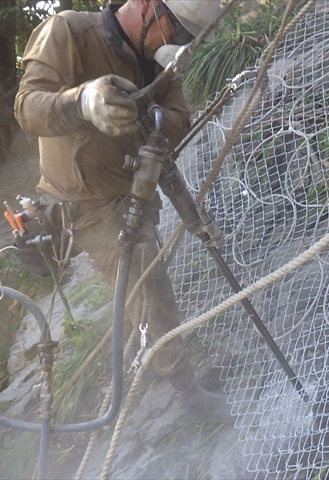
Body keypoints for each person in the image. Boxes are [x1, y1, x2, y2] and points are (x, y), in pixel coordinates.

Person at [14, 0, 232, 423]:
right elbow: (27, 105)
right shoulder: (71, 32)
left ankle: (150, 356)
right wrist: (82, 101)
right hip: (86, 207)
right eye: (179, 30)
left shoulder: (157, 65)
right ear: (149, 5)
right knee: (151, 294)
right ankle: (190, 399)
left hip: (135, 198)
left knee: (145, 293)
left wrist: (146, 113)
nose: (182, 43)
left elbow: (179, 119)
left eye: (191, 37)